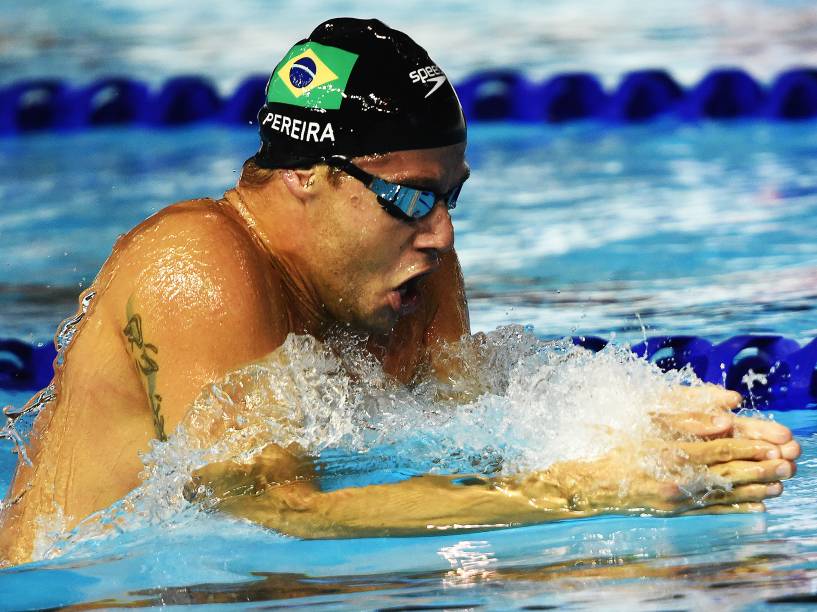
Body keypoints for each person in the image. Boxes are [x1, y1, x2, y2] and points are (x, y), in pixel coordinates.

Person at [0, 18, 800, 566]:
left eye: (450, 196)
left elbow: (469, 438)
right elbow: (276, 510)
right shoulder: (198, 267)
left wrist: (628, 431)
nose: (442, 235)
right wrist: (574, 492)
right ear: (306, 175)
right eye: (412, 196)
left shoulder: (408, 269)